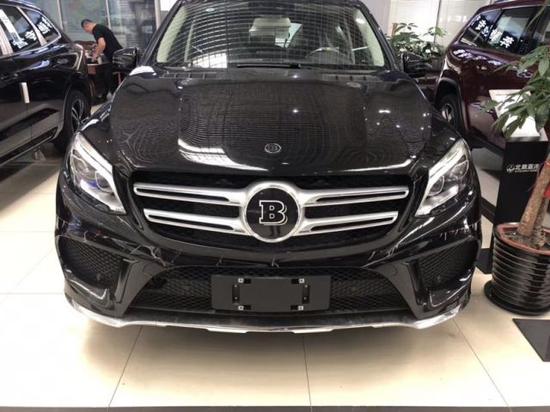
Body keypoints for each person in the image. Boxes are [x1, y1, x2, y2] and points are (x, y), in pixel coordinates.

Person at [81, 19, 123, 97]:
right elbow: (104, 42)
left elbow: (102, 44)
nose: (88, 32)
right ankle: (112, 94)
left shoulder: (95, 29)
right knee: (108, 73)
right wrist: (96, 46)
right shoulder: (101, 27)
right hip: (120, 55)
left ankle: (115, 96)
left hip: (117, 58)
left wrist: (96, 55)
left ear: (86, 26)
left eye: (86, 31)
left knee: (107, 75)